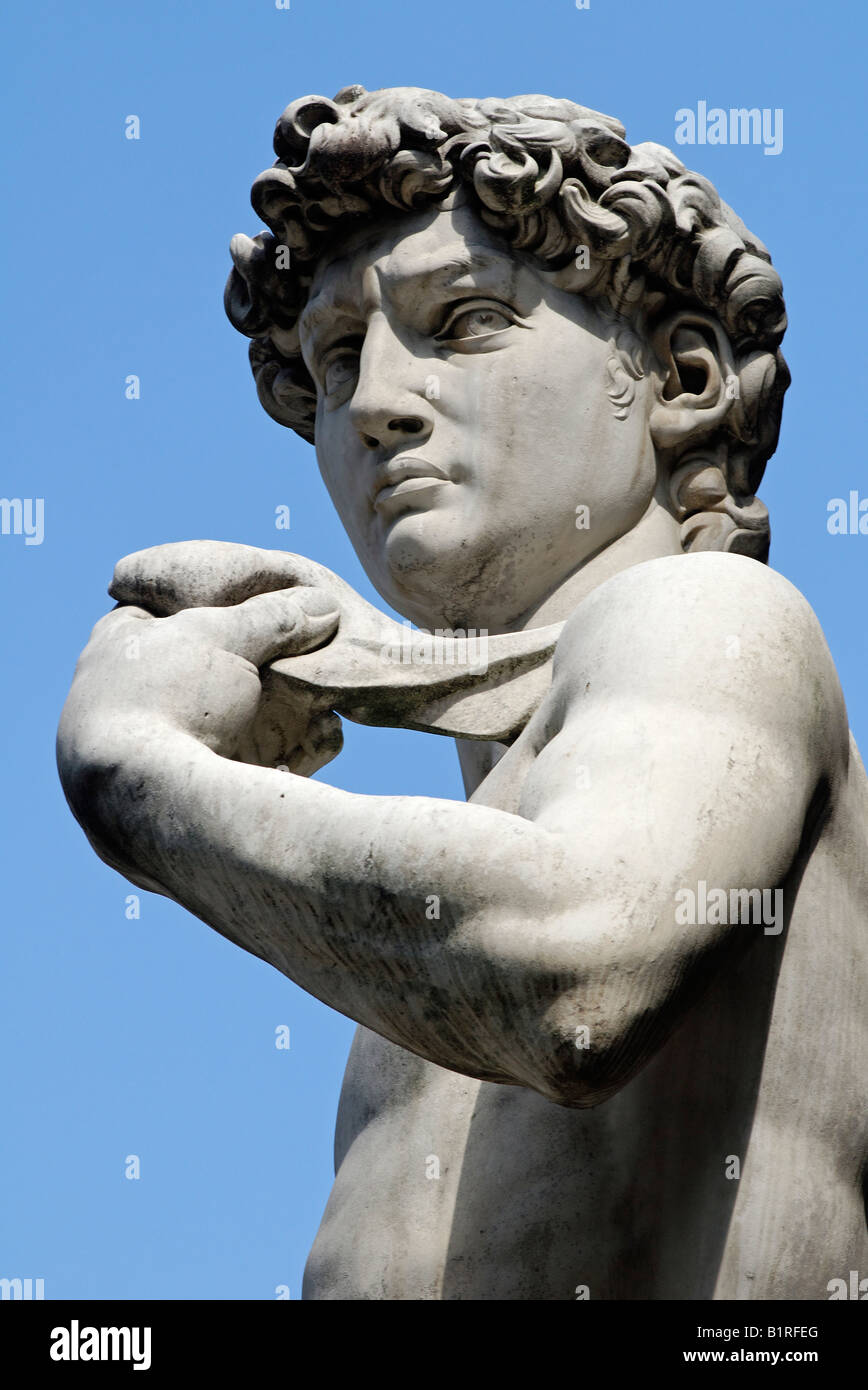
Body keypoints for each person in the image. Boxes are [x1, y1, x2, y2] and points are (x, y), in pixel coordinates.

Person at [58, 86, 868, 1299]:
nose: (374, 401)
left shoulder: (715, 618)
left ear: (680, 379)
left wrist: (146, 774)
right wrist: (374, 667)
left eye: (464, 319)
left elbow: (575, 976)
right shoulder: (442, 934)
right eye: (337, 358)